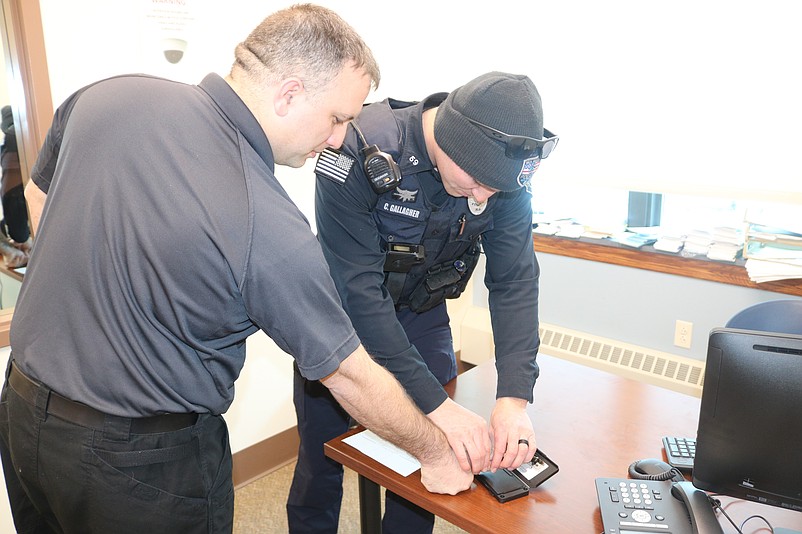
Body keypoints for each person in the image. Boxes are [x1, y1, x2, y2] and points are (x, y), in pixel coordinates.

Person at [0, 4, 473, 533]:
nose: (340, 139)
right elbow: (350, 375)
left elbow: (39, 196)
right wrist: (435, 452)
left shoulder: (108, 94)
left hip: (22, 414)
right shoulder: (265, 220)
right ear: (289, 93)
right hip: (141, 466)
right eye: (339, 118)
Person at [288, 71, 558, 533]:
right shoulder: (355, 150)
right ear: (447, 140)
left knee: (430, 470)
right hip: (340, 324)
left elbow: (514, 282)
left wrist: (513, 399)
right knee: (322, 457)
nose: (485, 197)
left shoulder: (500, 178)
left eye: (497, 189)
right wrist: (436, 406)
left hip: (421, 314)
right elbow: (360, 296)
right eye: (476, 182)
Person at [0, 105, 31, 268]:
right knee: (19, 234)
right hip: (13, 194)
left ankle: (17, 250)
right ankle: (17, 250)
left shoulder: (9, 145)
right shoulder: (15, 143)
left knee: (20, 234)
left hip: (13, 193)